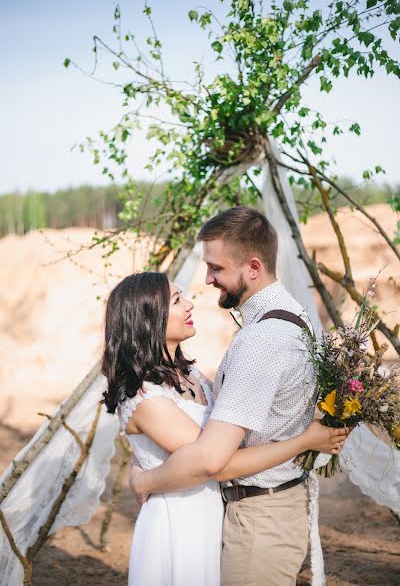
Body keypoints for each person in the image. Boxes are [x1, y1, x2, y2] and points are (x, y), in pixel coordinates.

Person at [130, 206, 342, 586]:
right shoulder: (293, 316)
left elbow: (214, 461)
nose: (208, 279)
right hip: (260, 511)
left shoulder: (261, 340)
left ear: (253, 267)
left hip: (259, 521)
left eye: (217, 268)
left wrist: (147, 480)